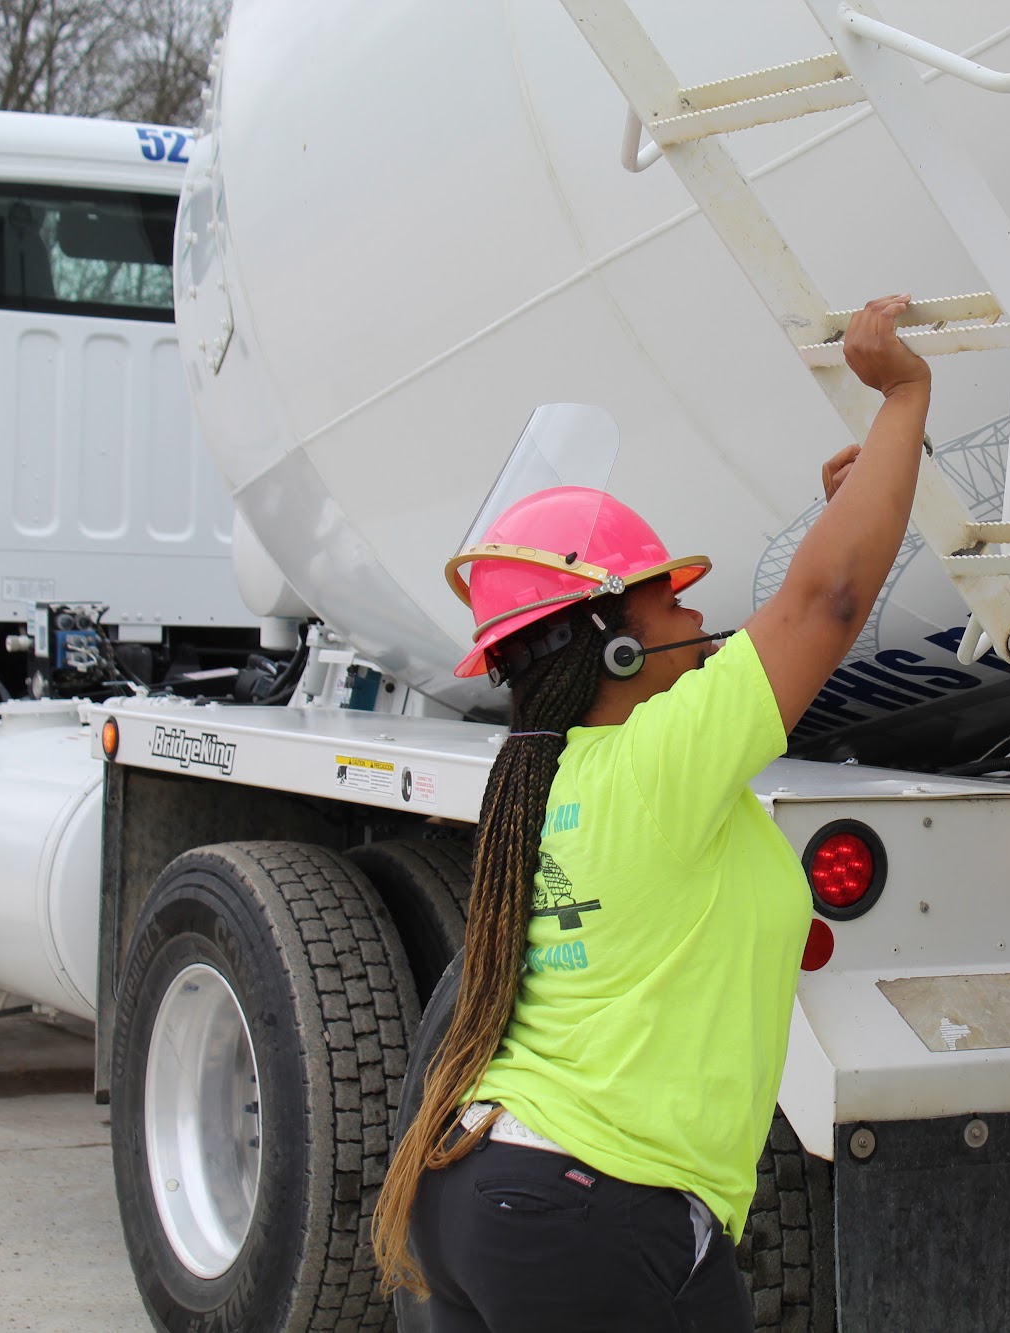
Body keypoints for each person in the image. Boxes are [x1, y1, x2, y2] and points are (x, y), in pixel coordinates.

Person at [370, 295, 931, 1331]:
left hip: (476, 1192)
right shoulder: (657, 766)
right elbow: (822, 604)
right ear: (615, 647)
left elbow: (811, 599)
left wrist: (864, 502)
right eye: (669, 600)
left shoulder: (539, 778)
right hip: (588, 1215)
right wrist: (903, 394)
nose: (699, 616)